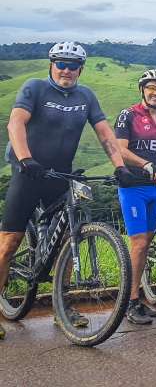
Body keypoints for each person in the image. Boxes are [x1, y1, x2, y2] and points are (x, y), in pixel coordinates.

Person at [1, 42, 137, 339]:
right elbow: (16, 124)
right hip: (29, 170)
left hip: (60, 173)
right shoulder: (35, 88)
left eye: (72, 66)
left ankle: (62, 305)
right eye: (61, 63)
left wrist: (120, 167)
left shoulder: (85, 96)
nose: (66, 70)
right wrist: (25, 159)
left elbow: (105, 134)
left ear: (80, 69)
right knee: (9, 242)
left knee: (66, 237)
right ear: (51, 64)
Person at [113, 69, 156, 325]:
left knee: (146, 242)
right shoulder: (128, 115)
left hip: (154, 187)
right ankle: (128, 301)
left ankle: (137, 297)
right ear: (142, 89)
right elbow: (120, 149)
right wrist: (147, 165)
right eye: (152, 88)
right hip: (134, 186)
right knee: (138, 242)